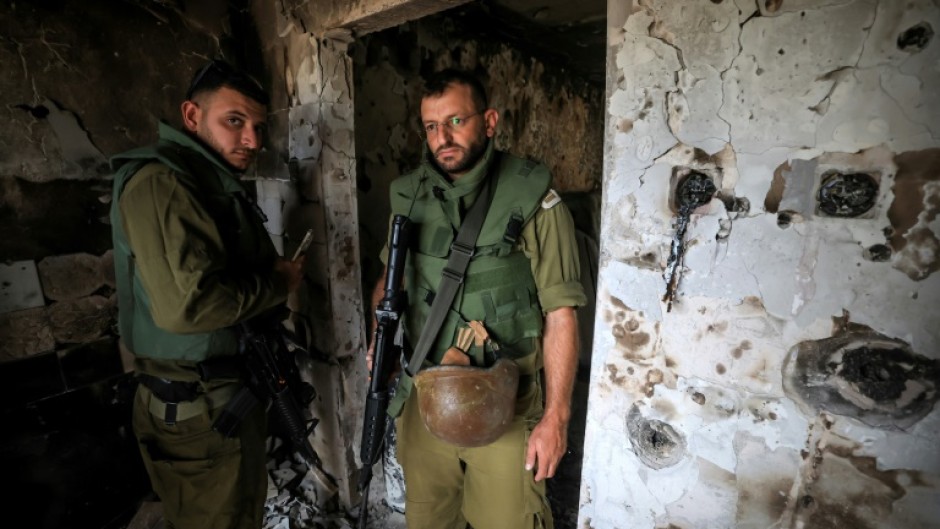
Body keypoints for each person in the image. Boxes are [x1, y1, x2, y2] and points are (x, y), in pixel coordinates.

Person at [367, 69, 586, 529]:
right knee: (428, 521)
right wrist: (378, 343)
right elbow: (390, 282)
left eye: (456, 121)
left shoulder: (532, 198)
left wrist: (556, 418)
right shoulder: (409, 196)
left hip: (506, 398)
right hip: (424, 393)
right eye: (430, 126)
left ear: (489, 122)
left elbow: (560, 314)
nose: (442, 137)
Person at [109, 59, 305, 529]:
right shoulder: (164, 182)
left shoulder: (203, 181)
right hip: (200, 413)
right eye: (234, 122)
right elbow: (188, 307)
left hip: (212, 401)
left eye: (258, 126)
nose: (252, 141)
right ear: (192, 117)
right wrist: (280, 283)